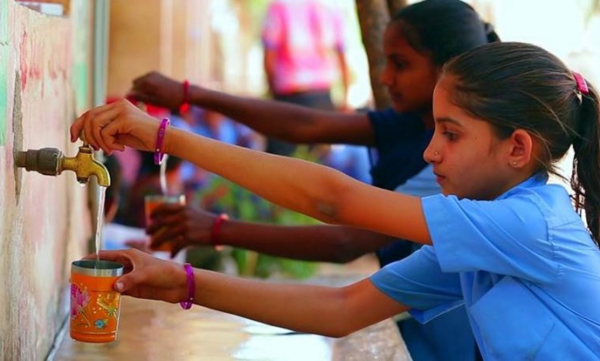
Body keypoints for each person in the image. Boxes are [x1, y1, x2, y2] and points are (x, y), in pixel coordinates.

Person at [72, 41, 600, 359]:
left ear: (517, 148)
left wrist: (166, 137)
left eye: (451, 134)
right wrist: (183, 283)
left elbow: (333, 201)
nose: (430, 152)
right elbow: (341, 309)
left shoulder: (529, 222)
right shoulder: (478, 238)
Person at [129, 0, 498, 360]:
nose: (385, 78)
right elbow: (307, 126)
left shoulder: (456, 175)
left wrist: (214, 228)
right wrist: (190, 96)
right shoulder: (413, 127)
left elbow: (341, 228)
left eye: (400, 64)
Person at [260, 0, 349, 156]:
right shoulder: (330, 2)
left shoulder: (280, 2)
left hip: (288, 97)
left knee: (279, 164)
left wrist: (273, 91)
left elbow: (269, 55)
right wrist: (345, 98)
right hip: (322, 98)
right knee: (318, 164)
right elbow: (342, 53)